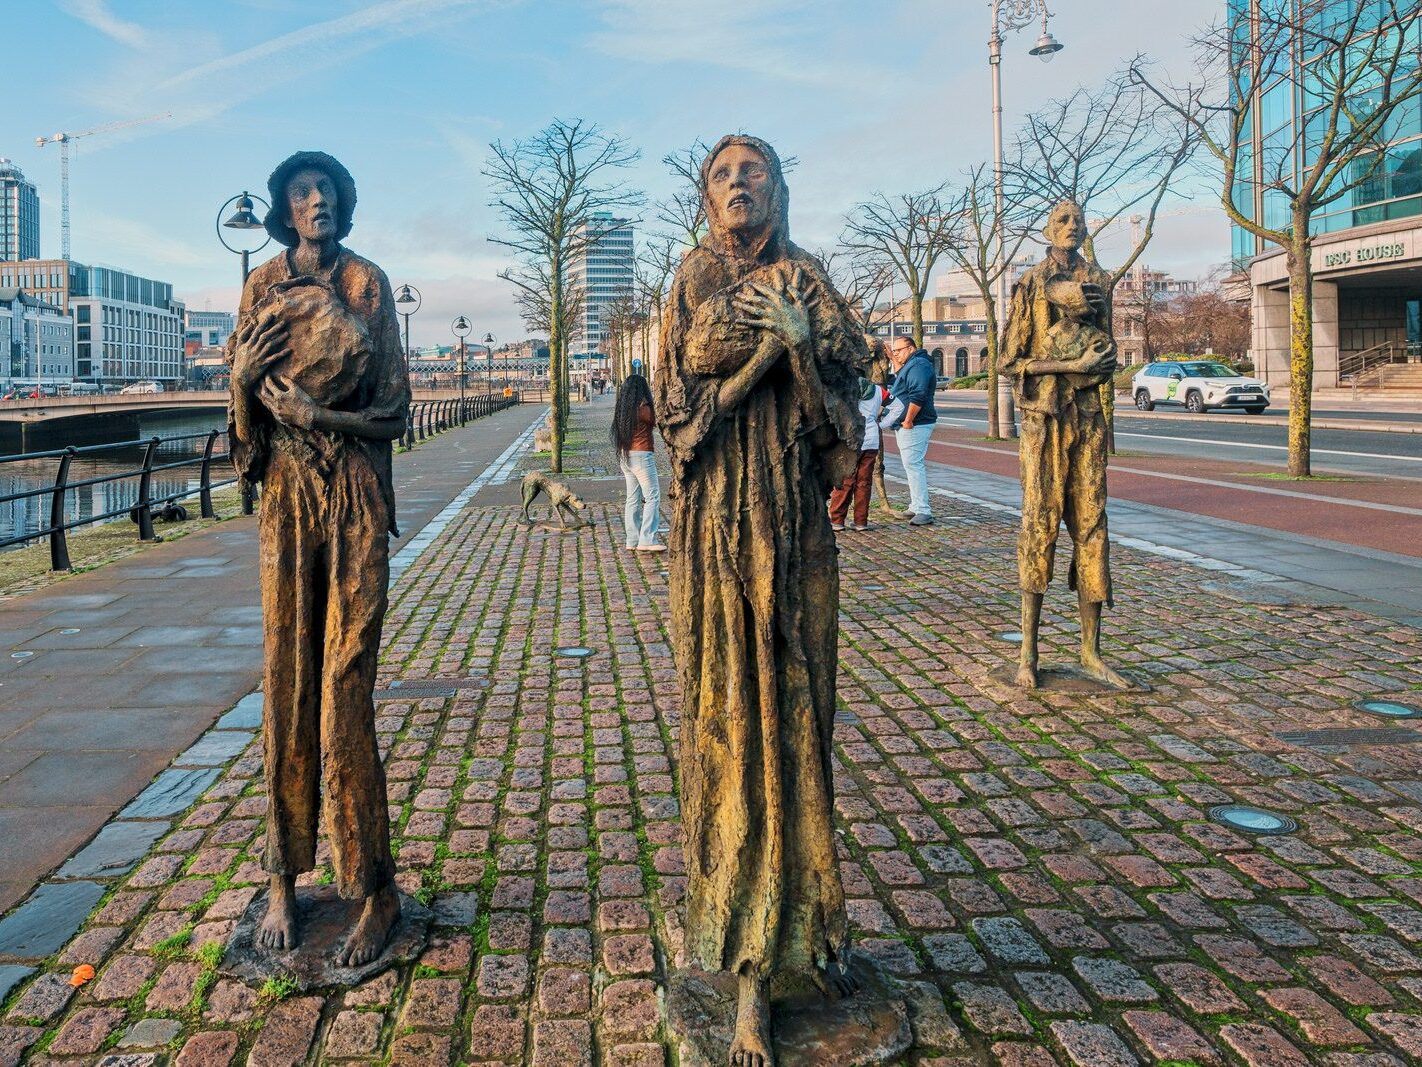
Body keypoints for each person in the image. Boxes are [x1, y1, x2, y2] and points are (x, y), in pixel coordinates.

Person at [655, 134, 863, 1065]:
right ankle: (741, 963)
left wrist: (805, 353)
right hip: (719, 535)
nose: (739, 185)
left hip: (795, 526)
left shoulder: (806, 274)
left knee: (802, 717)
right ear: (706, 196)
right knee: (730, 721)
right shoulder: (694, 275)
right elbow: (681, 400)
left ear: (779, 187)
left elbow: (840, 409)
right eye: (722, 174)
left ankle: (806, 933)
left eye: (755, 172)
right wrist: (771, 346)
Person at [227, 151, 408, 966]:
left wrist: (319, 413)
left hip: (357, 493)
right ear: (285, 211)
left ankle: (373, 885)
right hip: (290, 498)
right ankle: (282, 873)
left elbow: (397, 411)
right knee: (287, 674)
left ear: (342, 201)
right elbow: (249, 433)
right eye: (301, 193)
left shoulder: (370, 284)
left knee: (345, 679)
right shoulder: (262, 286)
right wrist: (238, 382)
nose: (316, 200)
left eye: (327, 189)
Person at [1001, 198, 1130, 690]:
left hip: (1088, 419)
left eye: (1078, 220)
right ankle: (1028, 654)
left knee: (1092, 525)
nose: (1072, 227)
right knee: (1039, 523)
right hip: (1044, 421)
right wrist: (1068, 368)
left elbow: (1110, 350)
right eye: (1063, 220)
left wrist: (1097, 362)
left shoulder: (1100, 280)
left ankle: (1091, 651)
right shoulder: (1031, 284)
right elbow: (1010, 362)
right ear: (1048, 228)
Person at [610, 373, 663, 552]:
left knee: (632, 498)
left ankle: (632, 540)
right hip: (642, 455)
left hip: (626, 456)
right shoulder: (643, 407)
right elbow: (656, 420)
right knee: (652, 496)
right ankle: (647, 538)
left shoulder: (623, 409)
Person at [888, 334, 937, 525]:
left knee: (914, 466)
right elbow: (903, 378)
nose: (896, 353)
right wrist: (893, 358)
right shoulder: (912, 365)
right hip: (909, 423)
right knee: (911, 466)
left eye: (898, 350)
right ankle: (916, 506)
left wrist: (908, 420)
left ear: (910, 348)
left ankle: (923, 510)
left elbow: (918, 394)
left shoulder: (918, 365)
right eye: (894, 351)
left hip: (916, 424)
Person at [828, 376, 888, 531]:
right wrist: (880, 424)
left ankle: (837, 520)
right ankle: (861, 522)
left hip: (851, 439)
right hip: (871, 440)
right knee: (864, 482)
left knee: (845, 479)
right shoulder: (877, 390)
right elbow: (898, 407)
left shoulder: (845, 387)